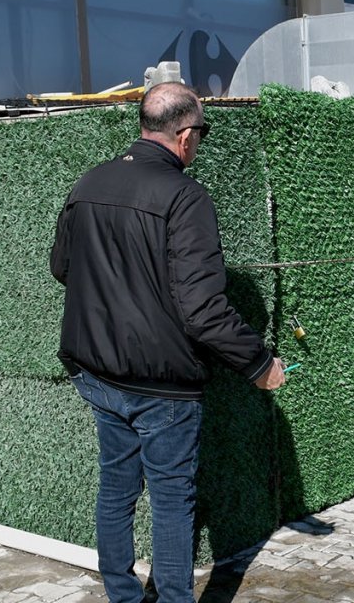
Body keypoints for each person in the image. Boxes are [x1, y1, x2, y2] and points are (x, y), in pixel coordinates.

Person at [51, 81, 286, 602]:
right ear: (184, 136)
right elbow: (203, 311)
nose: (198, 142)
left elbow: (62, 267)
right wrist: (260, 364)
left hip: (98, 375)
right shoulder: (186, 197)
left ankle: (123, 596)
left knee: (116, 489)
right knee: (171, 500)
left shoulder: (89, 182)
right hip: (163, 388)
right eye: (199, 133)